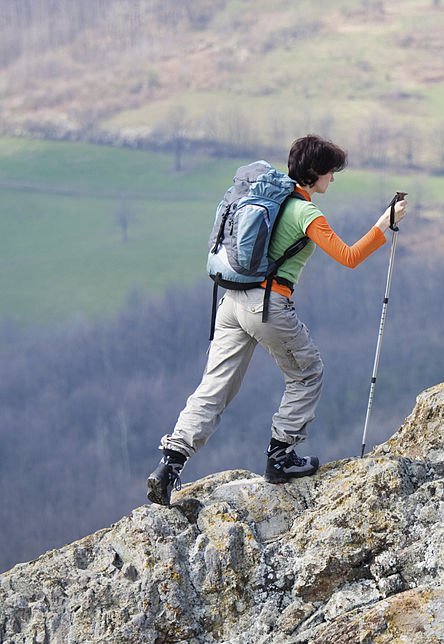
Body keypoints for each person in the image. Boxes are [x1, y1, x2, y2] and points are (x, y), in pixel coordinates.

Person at [147, 134, 407, 506]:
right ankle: (281, 455)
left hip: (231, 302)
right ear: (316, 172)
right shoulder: (306, 213)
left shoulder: (272, 198)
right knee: (307, 372)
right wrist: (385, 224)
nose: (332, 179)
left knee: (213, 389)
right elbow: (349, 256)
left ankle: (169, 465)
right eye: (331, 172)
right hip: (267, 306)